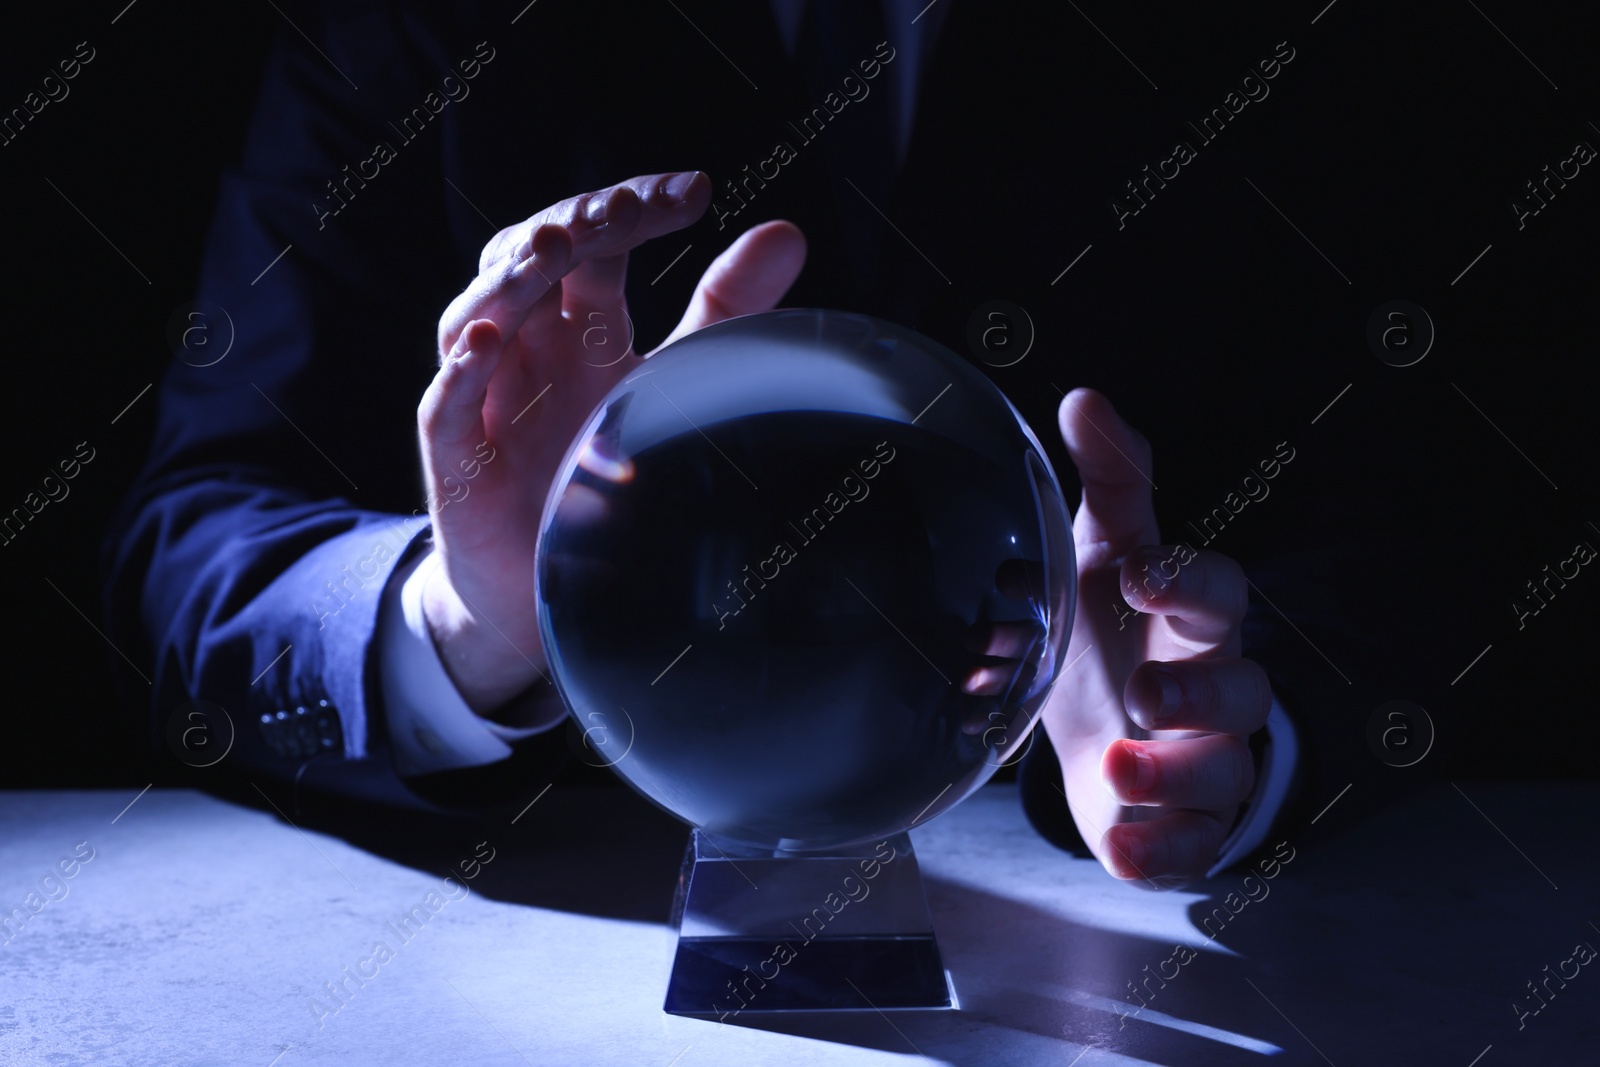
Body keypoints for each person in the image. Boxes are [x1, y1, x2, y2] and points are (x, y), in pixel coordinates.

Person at [107, 0, 1420, 889]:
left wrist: (1213, 739)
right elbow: (192, 530)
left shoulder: (1261, 38)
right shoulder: (415, 29)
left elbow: (1427, 502)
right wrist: (470, 620)